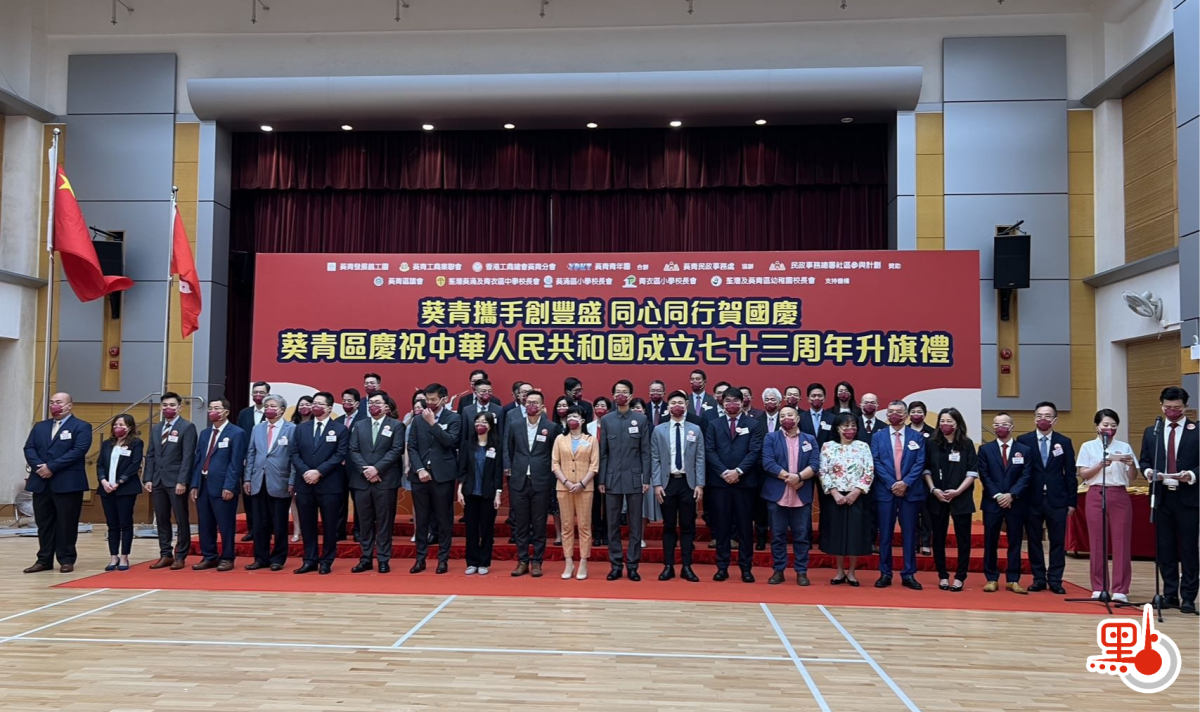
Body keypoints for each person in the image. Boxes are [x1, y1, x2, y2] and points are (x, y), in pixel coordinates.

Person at [1139, 387, 1199, 612]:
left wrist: (1191, 475)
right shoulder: (1152, 431)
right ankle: (1170, 594)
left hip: (1188, 498)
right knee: (1165, 548)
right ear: (1161, 405)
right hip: (1162, 496)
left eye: (1177, 408)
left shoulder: (1197, 431)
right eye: (1168, 407)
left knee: (1189, 549)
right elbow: (1144, 460)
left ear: (1185, 407)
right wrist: (1148, 472)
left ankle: (1189, 597)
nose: (1172, 411)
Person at [1076, 408, 1136, 603]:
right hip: (1095, 494)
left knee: (1121, 542)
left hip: (1119, 494)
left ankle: (1120, 589)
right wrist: (1100, 464)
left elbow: (1132, 477)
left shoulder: (1124, 446)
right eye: (1105, 425)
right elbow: (1083, 474)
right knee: (1097, 542)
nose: (1109, 428)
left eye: (1113, 425)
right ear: (1097, 426)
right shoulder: (1088, 446)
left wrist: (1131, 464)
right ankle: (1099, 587)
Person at [705, 387, 764, 583]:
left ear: (742, 402)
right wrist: (724, 473)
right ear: (722, 403)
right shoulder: (714, 424)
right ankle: (722, 567)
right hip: (720, 484)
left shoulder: (754, 424)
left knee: (745, 527)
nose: (732, 404)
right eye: (728, 401)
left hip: (744, 484)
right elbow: (710, 451)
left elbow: (755, 451)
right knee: (721, 527)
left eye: (735, 401)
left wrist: (738, 471)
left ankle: (746, 568)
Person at [1017, 401, 1077, 594]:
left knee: (1057, 541)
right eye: (1039, 416)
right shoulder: (1023, 440)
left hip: (1057, 499)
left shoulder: (1064, 442)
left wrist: (1072, 501)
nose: (1043, 419)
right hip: (1031, 499)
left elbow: (1070, 473)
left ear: (1055, 420)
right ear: (1034, 418)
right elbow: (1019, 472)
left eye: (1048, 416)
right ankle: (1039, 578)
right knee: (1033, 540)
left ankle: (1056, 580)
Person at [288, 391, 349, 575]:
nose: (315, 406)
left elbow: (340, 455)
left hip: (329, 484)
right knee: (307, 524)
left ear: (329, 408)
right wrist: (306, 472)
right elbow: (294, 453)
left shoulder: (340, 429)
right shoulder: (301, 428)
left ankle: (327, 561)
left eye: (320, 404)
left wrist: (319, 472)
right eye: (314, 403)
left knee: (330, 525)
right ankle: (310, 559)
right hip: (304, 483)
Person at [870, 400, 927, 590]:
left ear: (906, 415)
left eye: (899, 411)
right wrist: (892, 483)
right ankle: (885, 573)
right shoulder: (878, 436)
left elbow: (920, 462)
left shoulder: (916, 437)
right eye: (891, 411)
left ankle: (908, 574)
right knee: (885, 534)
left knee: (909, 534)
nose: (894, 414)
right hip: (885, 491)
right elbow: (875, 461)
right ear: (886, 415)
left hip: (910, 492)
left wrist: (905, 483)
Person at [599, 379, 653, 581]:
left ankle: (632, 565)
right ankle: (615, 565)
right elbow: (603, 452)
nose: (620, 395)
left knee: (635, 525)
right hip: (612, 478)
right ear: (613, 396)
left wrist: (645, 478)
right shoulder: (607, 420)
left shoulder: (640, 420)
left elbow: (645, 451)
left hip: (634, 477)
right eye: (617, 392)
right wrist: (602, 479)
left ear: (630, 396)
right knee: (612, 524)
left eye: (624, 392)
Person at [760, 405, 820, 586]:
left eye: (789, 415)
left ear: (798, 418)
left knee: (801, 536)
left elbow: (815, 464)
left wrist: (799, 477)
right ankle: (778, 570)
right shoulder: (771, 437)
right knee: (777, 535)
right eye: (782, 416)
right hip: (777, 495)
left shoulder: (809, 439)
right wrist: (790, 478)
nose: (786, 418)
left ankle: (801, 571)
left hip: (801, 495)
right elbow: (768, 463)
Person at [346, 390, 405, 573]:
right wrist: (366, 470)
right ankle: (365, 558)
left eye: (377, 402)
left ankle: (383, 559)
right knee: (364, 522)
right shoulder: (359, 425)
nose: (374, 406)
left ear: (386, 406)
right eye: (371, 403)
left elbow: (396, 450)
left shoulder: (396, 425)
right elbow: (353, 450)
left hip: (385, 481)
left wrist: (377, 469)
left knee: (384, 522)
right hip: (362, 480)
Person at [504, 390, 561, 577]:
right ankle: (522, 561)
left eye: (535, 402)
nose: (531, 405)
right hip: (519, 481)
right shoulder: (515, 425)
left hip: (541, 481)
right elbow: (510, 449)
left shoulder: (551, 427)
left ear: (542, 406)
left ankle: (537, 561)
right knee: (520, 524)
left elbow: (554, 454)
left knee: (538, 524)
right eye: (528, 402)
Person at [651, 391, 705, 582]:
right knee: (668, 525)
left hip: (688, 483)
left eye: (680, 402)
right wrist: (656, 484)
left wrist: (700, 484)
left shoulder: (695, 429)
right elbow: (655, 458)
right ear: (668, 406)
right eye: (673, 402)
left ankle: (687, 567)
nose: (677, 406)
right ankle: (668, 566)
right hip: (667, 483)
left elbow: (700, 458)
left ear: (686, 405)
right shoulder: (659, 430)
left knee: (688, 525)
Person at [407, 383, 460, 574]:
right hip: (420, 476)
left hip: (442, 476)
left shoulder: (454, 418)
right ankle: (420, 559)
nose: (429, 403)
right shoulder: (417, 419)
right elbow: (412, 446)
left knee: (444, 519)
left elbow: (450, 442)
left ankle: (443, 559)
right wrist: (420, 469)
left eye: (433, 399)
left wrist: (433, 423)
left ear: (444, 399)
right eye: (427, 399)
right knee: (421, 520)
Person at [923, 407, 978, 591]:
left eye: (949, 421)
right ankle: (943, 575)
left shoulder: (967, 444)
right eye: (942, 421)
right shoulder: (932, 443)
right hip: (937, 496)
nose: (945, 424)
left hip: (961, 497)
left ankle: (960, 576)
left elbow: (972, 472)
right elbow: (926, 469)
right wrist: (933, 489)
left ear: (957, 423)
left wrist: (958, 491)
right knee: (938, 538)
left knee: (963, 539)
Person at [978, 412, 1033, 594]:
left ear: (1012, 427)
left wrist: (1011, 495)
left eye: (1003, 424)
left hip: (1015, 503)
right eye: (996, 424)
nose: (999, 427)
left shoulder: (1024, 450)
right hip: (992, 502)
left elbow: (1026, 476)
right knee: (990, 541)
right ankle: (991, 578)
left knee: (1015, 541)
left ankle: (1013, 579)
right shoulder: (985, 450)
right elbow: (984, 475)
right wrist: (998, 495)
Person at [190, 398, 247, 572]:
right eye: (210, 408)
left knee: (225, 524)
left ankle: (227, 557)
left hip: (223, 486)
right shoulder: (205, 433)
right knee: (205, 523)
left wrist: (229, 486)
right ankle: (209, 556)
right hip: (203, 484)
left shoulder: (236, 433)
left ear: (226, 412)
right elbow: (198, 459)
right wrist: (194, 484)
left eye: (216, 408)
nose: (212, 411)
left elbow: (236, 463)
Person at [144, 391, 198, 570]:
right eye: (165, 405)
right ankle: (165, 554)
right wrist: (148, 478)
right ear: (161, 407)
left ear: (179, 408)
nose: (168, 408)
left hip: (176, 481)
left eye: (172, 405)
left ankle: (180, 555)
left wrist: (182, 481)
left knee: (181, 519)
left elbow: (188, 456)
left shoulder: (187, 427)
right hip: (158, 480)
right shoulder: (157, 428)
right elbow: (150, 454)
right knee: (161, 518)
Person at [820, 412, 874, 586]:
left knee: (854, 535)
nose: (850, 429)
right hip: (835, 497)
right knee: (837, 534)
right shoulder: (828, 446)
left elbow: (869, 471)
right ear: (838, 428)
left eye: (853, 425)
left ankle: (852, 572)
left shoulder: (863, 446)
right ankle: (839, 571)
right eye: (846, 425)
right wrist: (835, 493)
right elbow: (823, 471)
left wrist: (856, 492)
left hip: (857, 497)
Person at [243, 394, 296, 571]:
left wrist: (292, 480)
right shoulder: (257, 428)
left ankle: (278, 558)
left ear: (282, 410)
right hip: (258, 480)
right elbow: (251, 453)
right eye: (266, 406)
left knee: (279, 523)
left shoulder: (292, 429)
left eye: (272, 406)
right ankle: (260, 558)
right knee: (259, 523)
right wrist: (248, 478)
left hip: (281, 481)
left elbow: (294, 457)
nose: (268, 409)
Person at [552, 406, 599, 580]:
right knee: (566, 526)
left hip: (585, 487)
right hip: (563, 487)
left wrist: (581, 483)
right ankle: (569, 561)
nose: (572, 419)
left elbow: (594, 465)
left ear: (582, 420)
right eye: (570, 416)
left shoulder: (591, 439)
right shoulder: (560, 439)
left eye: (576, 416)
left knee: (584, 526)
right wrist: (566, 481)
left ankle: (583, 562)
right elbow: (555, 463)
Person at [459, 411, 503, 575]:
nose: (480, 424)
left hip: (488, 494)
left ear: (490, 426)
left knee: (486, 529)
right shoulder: (467, 444)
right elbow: (462, 469)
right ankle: (471, 562)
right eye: (477, 421)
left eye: (484, 422)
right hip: (470, 492)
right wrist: (460, 490)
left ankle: (484, 562)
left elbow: (498, 472)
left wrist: (498, 493)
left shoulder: (496, 445)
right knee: (471, 529)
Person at [97, 414, 143, 572]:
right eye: (115, 424)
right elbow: (100, 464)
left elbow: (134, 464)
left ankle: (124, 556)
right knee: (112, 524)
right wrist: (103, 481)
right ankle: (113, 556)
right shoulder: (107, 444)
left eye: (121, 425)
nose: (118, 427)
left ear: (129, 427)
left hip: (125, 489)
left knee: (125, 523)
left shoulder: (136, 443)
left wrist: (119, 481)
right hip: (106, 489)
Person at [236, 381, 271, 543]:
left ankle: (268, 528)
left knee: (267, 495)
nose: (258, 395)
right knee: (249, 496)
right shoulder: (244, 413)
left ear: (268, 395)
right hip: (248, 462)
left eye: (261, 392)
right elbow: (239, 437)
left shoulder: (272, 412)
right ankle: (252, 529)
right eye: (255, 392)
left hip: (267, 462)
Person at [337, 388, 366, 542]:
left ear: (357, 403)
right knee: (339, 501)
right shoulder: (337, 420)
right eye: (344, 400)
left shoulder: (364, 420)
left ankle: (358, 531)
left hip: (356, 468)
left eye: (349, 401)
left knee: (359, 502)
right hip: (338, 469)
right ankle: (339, 531)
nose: (346, 403)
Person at [908, 400, 936, 556]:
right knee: (910, 513)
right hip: (908, 478)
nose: (916, 414)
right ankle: (912, 542)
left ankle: (925, 543)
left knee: (926, 512)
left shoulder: (933, 433)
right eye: (913, 412)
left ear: (924, 414)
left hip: (927, 478)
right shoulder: (904, 431)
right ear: (908, 414)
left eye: (919, 412)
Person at [289, 395, 314, 542]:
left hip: (314, 469)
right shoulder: (292, 426)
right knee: (294, 499)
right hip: (295, 466)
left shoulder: (317, 424)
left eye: (307, 404)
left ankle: (309, 529)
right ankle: (297, 529)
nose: (304, 407)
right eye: (301, 404)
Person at [588, 396, 612, 546]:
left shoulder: (612, 425)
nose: (600, 408)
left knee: (609, 503)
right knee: (595, 503)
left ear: (608, 409)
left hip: (609, 469)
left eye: (603, 406)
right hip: (592, 470)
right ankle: (596, 533)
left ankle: (607, 533)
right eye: (597, 405)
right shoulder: (588, 427)